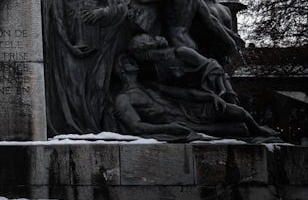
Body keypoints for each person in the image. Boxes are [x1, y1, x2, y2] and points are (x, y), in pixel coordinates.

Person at [43, 0, 128, 134]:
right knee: (74, 89)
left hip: (98, 47)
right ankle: (75, 130)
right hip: (70, 47)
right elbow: (57, 20)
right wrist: (69, 46)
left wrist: (102, 12)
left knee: (98, 88)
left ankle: (95, 128)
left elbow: (121, 7)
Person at [113, 55, 277, 140]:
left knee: (239, 112)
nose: (133, 62)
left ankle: (258, 129)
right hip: (180, 123)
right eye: (127, 62)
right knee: (239, 130)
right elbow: (136, 127)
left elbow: (183, 94)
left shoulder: (149, 86)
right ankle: (252, 131)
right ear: (120, 70)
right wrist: (167, 128)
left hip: (190, 110)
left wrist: (210, 96)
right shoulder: (123, 98)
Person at [126, 33, 237, 103]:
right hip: (195, 99)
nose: (136, 59)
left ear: (142, 50)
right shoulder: (155, 69)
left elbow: (214, 67)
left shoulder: (181, 53)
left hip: (218, 90)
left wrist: (226, 91)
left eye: (135, 54)